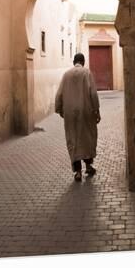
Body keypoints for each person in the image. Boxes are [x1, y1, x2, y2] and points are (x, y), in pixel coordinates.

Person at [55, 52, 101, 182]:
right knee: (87, 139)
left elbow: (59, 95)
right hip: (85, 112)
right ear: (83, 62)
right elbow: (93, 93)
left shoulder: (66, 75)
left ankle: (78, 173)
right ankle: (88, 166)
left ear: (74, 62)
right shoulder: (87, 73)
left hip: (70, 113)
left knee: (73, 140)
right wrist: (96, 110)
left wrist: (59, 109)